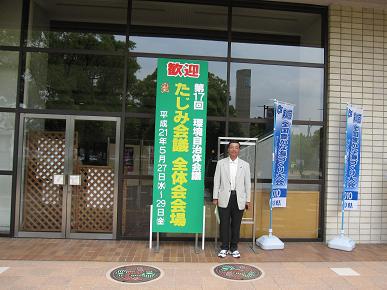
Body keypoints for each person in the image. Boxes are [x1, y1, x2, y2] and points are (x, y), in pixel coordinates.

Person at [213, 140, 251, 258]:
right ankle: (224, 247)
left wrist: (248, 199)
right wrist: (215, 197)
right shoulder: (221, 163)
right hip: (224, 197)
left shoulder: (245, 165)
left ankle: (234, 247)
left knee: (236, 224)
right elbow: (216, 181)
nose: (234, 149)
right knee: (224, 224)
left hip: (239, 198)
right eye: (232, 147)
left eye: (236, 148)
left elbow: (247, 184)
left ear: (239, 150)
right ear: (228, 149)